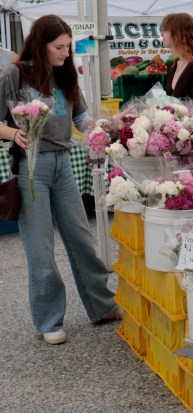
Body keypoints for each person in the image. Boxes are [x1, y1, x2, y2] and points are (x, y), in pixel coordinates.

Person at [0, 15, 121, 345]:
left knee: (82, 238)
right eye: (59, 47)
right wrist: (14, 132)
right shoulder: (15, 74)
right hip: (30, 168)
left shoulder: (66, 73)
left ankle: (102, 305)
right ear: (40, 45)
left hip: (64, 165)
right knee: (40, 248)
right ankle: (49, 320)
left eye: (68, 46)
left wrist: (98, 125)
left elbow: (80, 115)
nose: (66, 53)